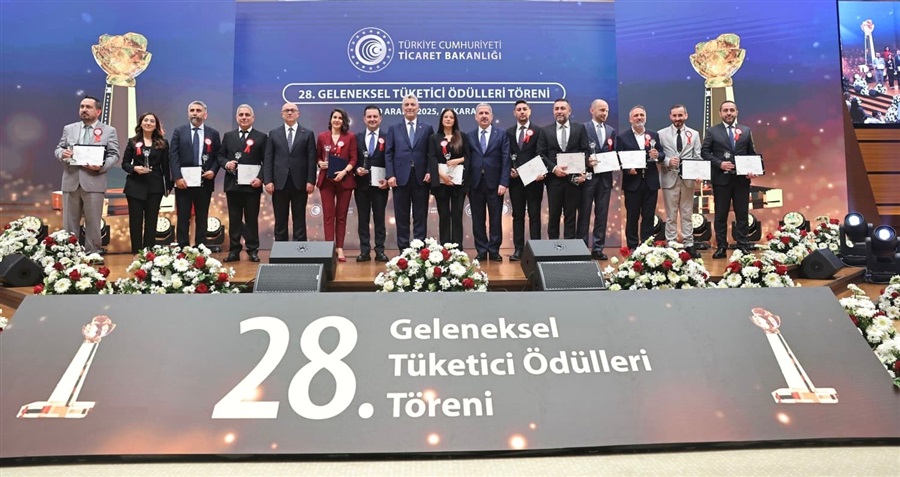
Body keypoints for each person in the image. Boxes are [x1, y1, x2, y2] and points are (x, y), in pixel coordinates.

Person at [54, 96, 119, 257]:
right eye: (82, 106)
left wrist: (101, 167)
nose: (84, 110)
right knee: (69, 223)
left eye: (88, 107)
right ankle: (70, 254)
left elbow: (114, 154)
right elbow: (58, 148)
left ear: (98, 111)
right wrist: (62, 153)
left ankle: (93, 253)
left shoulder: (109, 131)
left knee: (93, 222)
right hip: (71, 181)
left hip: (94, 182)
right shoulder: (69, 128)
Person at [701, 100, 758, 258]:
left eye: (732, 110)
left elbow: (751, 154)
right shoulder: (712, 131)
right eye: (725, 110)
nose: (729, 113)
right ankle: (721, 247)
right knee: (720, 215)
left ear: (736, 112)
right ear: (720, 113)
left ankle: (742, 245)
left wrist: (752, 170)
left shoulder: (745, 130)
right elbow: (704, 152)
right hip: (721, 180)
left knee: (742, 214)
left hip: (741, 180)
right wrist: (719, 164)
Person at [217, 104, 267, 262]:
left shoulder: (261, 137)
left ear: (253, 118)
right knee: (234, 219)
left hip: (252, 186)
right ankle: (234, 250)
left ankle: (253, 250)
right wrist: (226, 164)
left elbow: (267, 161)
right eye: (241, 115)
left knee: (252, 219)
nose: (244, 117)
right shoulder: (228, 136)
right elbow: (220, 156)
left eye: (247, 115)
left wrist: (260, 178)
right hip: (233, 185)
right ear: (236, 117)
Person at [385, 94, 434, 249]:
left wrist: (430, 171)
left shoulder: (427, 128)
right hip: (400, 178)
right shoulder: (394, 128)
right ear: (402, 108)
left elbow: (431, 153)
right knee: (401, 216)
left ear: (418, 108)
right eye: (407, 105)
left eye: (413, 104)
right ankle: (404, 251)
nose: (410, 107)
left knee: (420, 216)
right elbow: (389, 153)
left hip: (421, 178)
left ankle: (420, 251)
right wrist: (390, 175)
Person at [537, 98, 590, 239]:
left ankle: (569, 247)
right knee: (553, 215)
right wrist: (554, 168)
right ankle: (553, 246)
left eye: (562, 108)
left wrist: (582, 169)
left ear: (569, 111)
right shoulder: (545, 131)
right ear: (553, 111)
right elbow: (540, 154)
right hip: (554, 180)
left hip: (573, 179)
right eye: (556, 109)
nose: (559, 111)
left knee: (570, 215)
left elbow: (585, 150)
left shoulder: (580, 128)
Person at [169, 100, 221, 247]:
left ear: (205, 114)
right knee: (183, 216)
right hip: (183, 183)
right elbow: (173, 156)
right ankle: (182, 247)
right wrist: (177, 177)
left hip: (204, 182)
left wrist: (213, 170)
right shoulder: (179, 132)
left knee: (202, 217)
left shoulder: (213, 133)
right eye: (192, 111)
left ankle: (201, 247)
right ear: (188, 114)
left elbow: (218, 156)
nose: (195, 113)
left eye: (198, 111)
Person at [263, 102, 317, 242]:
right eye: (286, 110)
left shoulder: (308, 134)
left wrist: (311, 181)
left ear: (298, 114)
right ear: (282, 114)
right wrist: (268, 180)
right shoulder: (273, 134)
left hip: (300, 183)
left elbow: (312, 159)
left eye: (293, 110)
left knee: (299, 219)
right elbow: (268, 158)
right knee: (280, 219)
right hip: (279, 183)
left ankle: (300, 250)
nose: (290, 112)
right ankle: (281, 249)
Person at [615, 105, 664, 250]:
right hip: (632, 183)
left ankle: (647, 246)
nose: (639, 118)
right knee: (632, 216)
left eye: (642, 115)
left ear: (646, 118)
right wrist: (627, 170)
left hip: (651, 182)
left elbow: (662, 154)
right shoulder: (622, 137)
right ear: (630, 119)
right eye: (636, 115)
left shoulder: (654, 135)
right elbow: (617, 158)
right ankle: (632, 247)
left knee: (649, 216)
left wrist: (658, 155)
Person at [121, 112, 170, 254]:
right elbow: (125, 163)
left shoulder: (163, 143)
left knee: (151, 221)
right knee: (135, 221)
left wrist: (168, 185)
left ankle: (149, 253)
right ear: (141, 123)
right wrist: (134, 168)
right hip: (135, 186)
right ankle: (136, 253)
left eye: (152, 121)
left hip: (155, 187)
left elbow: (166, 166)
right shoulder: (132, 142)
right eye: (146, 120)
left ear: (156, 125)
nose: (148, 123)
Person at [466, 103, 510, 261]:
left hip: (495, 184)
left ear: (491, 116)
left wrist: (504, 182)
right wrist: (466, 185)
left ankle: (494, 250)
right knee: (478, 219)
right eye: (481, 113)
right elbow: (467, 161)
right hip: (475, 184)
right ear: (475, 117)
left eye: (486, 113)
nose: (484, 116)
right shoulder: (469, 136)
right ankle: (482, 250)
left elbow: (506, 159)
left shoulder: (502, 134)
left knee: (495, 219)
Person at [657, 104, 701, 258]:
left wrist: (698, 172)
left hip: (688, 180)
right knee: (671, 215)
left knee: (687, 213)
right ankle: (672, 244)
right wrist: (668, 161)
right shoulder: (661, 134)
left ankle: (689, 244)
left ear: (686, 116)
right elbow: (658, 156)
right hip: (669, 178)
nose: (677, 118)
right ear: (670, 116)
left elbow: (698, 156)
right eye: (674, 115)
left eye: (680, 115)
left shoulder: (694, 134)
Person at [316, 108, 357, 262]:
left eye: (340, 118)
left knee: (341, 216)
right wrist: (320, 163)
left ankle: (340, 248)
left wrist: (344, 172)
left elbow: (354, 158)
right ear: (330, 119)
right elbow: (318, 156)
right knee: (328, 216)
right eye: (334, 117)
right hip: (326, 181)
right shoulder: (322, 137)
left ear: (344, 121)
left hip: (344, 181)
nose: (337, 120)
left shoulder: (350, 137)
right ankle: (329, 247)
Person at [506, 100, 545, 261]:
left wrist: (539, 172)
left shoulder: (539, 131)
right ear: (514, 113)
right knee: (518, 216)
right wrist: (509, 170)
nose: (522, 112)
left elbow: (541, 154)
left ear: (530, 111)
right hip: (516, 182)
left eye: (524, 109)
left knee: (534, 215)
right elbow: (506, 155)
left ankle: (536, 249)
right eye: (519, 109)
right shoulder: (508, 132)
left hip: (534, 181)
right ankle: (518, 249)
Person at [579, 99, 616, 260]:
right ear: (592, 110)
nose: (604, 113)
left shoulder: (611, 131)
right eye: (601, 110)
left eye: (606, 110)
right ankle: (581, 248)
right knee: (584, 213)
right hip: (587, 177)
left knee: (602, 214)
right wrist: (586, 161)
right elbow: (578, 150)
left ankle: (598, 248)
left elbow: (614, 152)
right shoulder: (583, 128)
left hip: (605, 179)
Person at [427, 108, 470, 248]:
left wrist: (458, 160)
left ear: (455, 120)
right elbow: (432, 158)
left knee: (457, 215)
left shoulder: (462, 136)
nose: (448, 119)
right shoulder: (434, 138)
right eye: (446, 117)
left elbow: (469, 156)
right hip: (441, 183)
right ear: (441, 119)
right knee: (444, 215)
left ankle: (457, 247)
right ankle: (445, 247)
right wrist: (442, 175)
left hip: (458, 183)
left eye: (451, 117)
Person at [354, 105, 390, 262]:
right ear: (364, 119)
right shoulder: (357, 137)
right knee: (363, 219)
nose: (372, 119)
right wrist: (356, 169)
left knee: (380, 219)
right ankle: (364, 251)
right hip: (361, 186)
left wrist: (388, 178)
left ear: (380, 118)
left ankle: (380, 250)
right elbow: (352, 159)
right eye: (369, 116)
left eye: (375, 116)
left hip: (380, 186)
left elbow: (390, 160)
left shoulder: (387, 137)